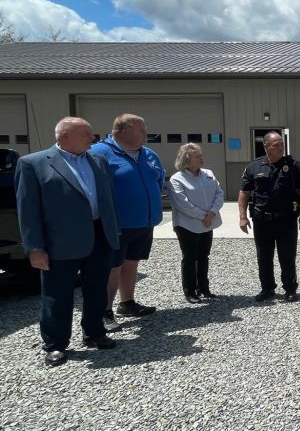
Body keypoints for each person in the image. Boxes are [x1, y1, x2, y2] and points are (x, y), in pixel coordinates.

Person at [15, 117, 121, 366]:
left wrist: (113, 231)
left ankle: (94, 333)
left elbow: (108, 199)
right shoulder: (34, 164)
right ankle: (55, 344)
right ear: (64, 137)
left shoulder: (98, 160)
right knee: (57, 294)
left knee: (96, 289)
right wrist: (34, 247)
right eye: (86, 133)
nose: (92, 138)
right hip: (59, 242)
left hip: (99, 236)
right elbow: (27, 209)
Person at [91, 113, 165, 331]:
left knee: (132, 262)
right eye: (142, 130)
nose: (146, 134)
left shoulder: (148, 154)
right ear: (124, 130)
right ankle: (104, 311)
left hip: (144, 221)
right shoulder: (99, 153)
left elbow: (159, 179)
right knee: (112, 267)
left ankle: (127, 303)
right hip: (117, 224)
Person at [239, 131, 300, 302]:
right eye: (276, 145)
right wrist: (242, 216)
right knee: (264, 256)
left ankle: (290, 289)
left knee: (287, 256)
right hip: (262, 221)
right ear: (266, 147)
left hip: (286, 221)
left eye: (281, 144)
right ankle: (267, 288)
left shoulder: (293, 166)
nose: (280, 148)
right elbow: (244, 192)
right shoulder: (254, 167)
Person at [169, 143, 224, 303]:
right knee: (189, 258)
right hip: (187, 226)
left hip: (207, 223)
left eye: (201, 155)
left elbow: (219, 194)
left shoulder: (208, 174)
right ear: (187, 159)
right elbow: (182, 204)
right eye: (198, 156)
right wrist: (204, 216)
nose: (202, 158)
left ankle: (204, 289)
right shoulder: (177, 179)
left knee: (203, 257)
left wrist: (212, 212)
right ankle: (190, 291)